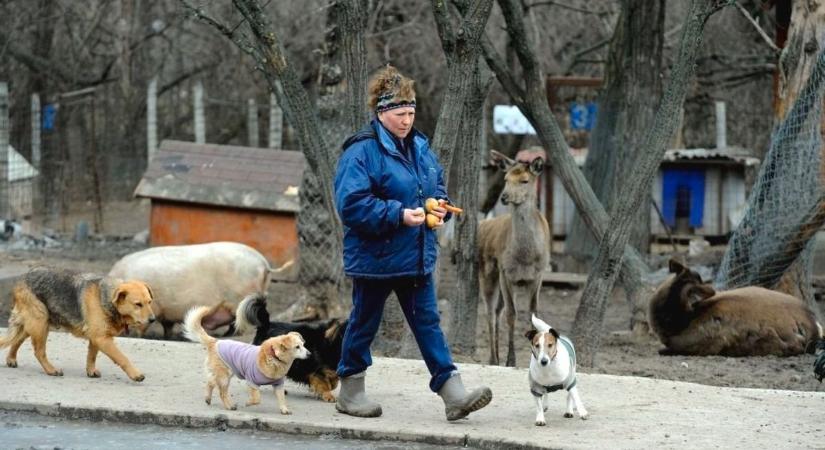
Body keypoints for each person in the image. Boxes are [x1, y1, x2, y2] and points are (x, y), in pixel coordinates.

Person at [333, 65, 492, 421]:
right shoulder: (361, 152)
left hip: (416, 255)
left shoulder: (420, 146)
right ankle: (350, 391)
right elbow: (352, 205)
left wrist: (440, 204)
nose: (407, 120)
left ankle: (454, 395)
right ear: (381, 113)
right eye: (400, 114)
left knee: (428, 324)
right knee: (363, 324)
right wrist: (399, 214)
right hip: (375, 258)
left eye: (411, 113)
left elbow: (431, 186)